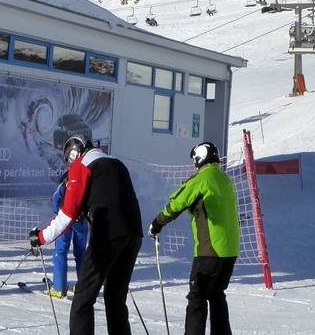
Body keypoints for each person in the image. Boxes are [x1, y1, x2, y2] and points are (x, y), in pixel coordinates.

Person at [29, 136, 142, 335]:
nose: (70, 164)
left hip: (107, 233)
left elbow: (67, 214)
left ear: (75, 153)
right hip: (133, 233)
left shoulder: (82, 164)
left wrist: (41, 237)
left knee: (82, 299)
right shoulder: (116, 162)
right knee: (115, 298)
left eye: (69, 159)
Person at [149, 142, 240, 335]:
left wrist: (157, 223)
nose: (194, 165)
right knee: (216, 294)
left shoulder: (202, 179)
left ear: (200, 158)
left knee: (197, 298)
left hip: (210, 250)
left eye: (195, 160)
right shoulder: (225, 178)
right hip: (230, 250)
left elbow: (177, 203)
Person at [49, 170, 88, 298]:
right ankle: (83, 286)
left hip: (65, 219)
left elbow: (57, 197)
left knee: (60, 252)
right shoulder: (88, 177)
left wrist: (57, 212)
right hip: (81, 220)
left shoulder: (68, 177)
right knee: (81, 253)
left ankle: (59, 288)